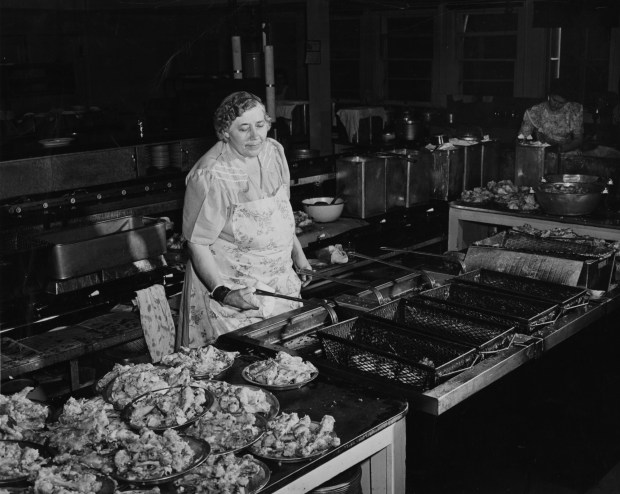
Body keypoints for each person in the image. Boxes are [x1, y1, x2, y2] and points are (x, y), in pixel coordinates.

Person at [177, 91, 312, 347]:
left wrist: (298, 255)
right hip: (238, 298)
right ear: (225, 132)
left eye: (260, 125)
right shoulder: (211, 175)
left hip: (281, 286)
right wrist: (223, 293)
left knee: (289, 366)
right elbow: (197, 242)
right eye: (244, 128)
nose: (255, 136)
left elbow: (280, 214)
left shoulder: (274, 152)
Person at [518, 77, 584, 153]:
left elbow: (578, 139)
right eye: (554, 100)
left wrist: (561, 149)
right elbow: (523, 137)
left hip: (566, 152)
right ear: (549, 95)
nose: (556, 105)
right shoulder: (535, 111)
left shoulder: (573, 110)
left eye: (561, 103)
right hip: (542, 152)